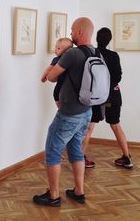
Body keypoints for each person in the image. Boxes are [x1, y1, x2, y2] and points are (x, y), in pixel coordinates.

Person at [33, 17, 94, 207]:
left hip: (69, 113)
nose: (70, 34)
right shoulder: (95, 52)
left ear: (80, 33)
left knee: (52, 151)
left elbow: (51, 77)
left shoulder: (73, 54)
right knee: (76, 150)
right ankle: (79, 191)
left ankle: (53, 196)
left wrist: (57, 61)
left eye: (73, 31)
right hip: (87, 111)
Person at [83, 27, 133, 169]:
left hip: (96, 96)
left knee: (89, 127)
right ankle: (127, 158)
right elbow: (118, 77)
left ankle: (81, 158)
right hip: (113, 95)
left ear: (96, 39)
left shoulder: (91, 55)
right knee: (116, 125)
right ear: (110, 40)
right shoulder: (114, 55)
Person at [41, 38, 73, 108]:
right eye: (55, 47)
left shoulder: (57, 59)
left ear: (67, 51)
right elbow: (49, 69)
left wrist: (44, 76)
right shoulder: (58, 59)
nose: (55, 50)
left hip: (62, 86)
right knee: (57, 96)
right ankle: (61, 110)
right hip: (62, 85)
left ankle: (61, 109)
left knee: (57, 96)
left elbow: (48, 69)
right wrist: (45, 76)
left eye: (58, 48)